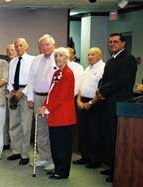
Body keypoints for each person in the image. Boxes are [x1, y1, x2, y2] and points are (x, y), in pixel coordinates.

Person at [95, 33, 137, 183]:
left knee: (116, 139)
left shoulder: (128, 59)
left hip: (119, 105)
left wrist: (103, 91)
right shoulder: (111, 60)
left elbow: (121, 81)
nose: (112, 44)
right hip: (107, 103)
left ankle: (117, 172)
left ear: (123, 43)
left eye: (115, 42)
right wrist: (100, 90)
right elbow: (103, 80)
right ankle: (111, 166)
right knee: (109, 137)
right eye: (110, 42)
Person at [37, 47, 76, 180]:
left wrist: (47, 109)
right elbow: (51, 93)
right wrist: (44, 105)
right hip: (55, 115)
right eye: (56, 56)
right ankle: (58, 168)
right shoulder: (57, 73)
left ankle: (63, 172)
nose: (58, 58)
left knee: (62, 145)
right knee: (55, 144)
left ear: (66, 58)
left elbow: (62, 96)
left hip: (63, 116)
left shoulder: (68, 74)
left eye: (60, 56)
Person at [25, 34, 58, 171]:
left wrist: (51, 101)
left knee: (52, 130)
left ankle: (53, 159)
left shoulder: (58, 57)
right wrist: (30, 98)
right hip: (38, 98)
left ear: (53, 45)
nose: (45, 48)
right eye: (42, 45)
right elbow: (31, 78)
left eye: (47, 45)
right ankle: (44, 158)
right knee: (40, 130)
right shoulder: (37, 59)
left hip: (52, 99)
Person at [73, 47, 105, 169]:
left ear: (99, 56)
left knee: (94, 132)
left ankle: (95, 160)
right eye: (88, 54)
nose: (90, 56)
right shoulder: (87, 68)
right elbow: (81, 86)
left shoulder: (103, 68)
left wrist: (90, 103)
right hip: (82, 101)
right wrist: (78, 100)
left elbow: (101, 90)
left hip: (95, 103)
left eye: (93, 54)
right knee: (83, 131)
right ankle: (85, 156)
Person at [6, 38, 35, 165]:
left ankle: (24, 154)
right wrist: (12, 91)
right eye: (16, 46)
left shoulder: (32, 60)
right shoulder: (12, 61)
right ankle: (16, 151)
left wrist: (22, 93)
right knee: (13, 125)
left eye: (20, 45)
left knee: (25, 125)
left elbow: (33, 80)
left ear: (26, 46)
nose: (18, 48)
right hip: (14, 92)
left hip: (26, 93)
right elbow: (9, 79)